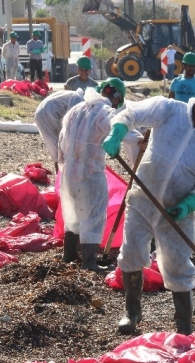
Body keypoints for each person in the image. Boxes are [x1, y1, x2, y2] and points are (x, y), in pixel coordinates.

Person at [101, 79, 195, 335]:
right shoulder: (168, 109)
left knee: (178, 263)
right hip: (144, 197)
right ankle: (132, 314)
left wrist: (191, 202)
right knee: (131, 252)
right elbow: (132, 113)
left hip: (178, 209)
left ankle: (184, 327)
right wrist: (117, 131)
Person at [58, 78, 143, 271]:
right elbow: (122, 132)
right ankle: (89, 262)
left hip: (69, 171)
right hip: (90, 173)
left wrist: (63, 165)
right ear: (117, 98)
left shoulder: (75, 110)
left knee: (73, 212)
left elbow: (61, 140)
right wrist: (140, 141)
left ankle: (69, 254)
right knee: (93, 215)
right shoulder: (106, 113)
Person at [35, 88, 85, 173]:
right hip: (47, 114)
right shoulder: (78, 100)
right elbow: (72, 122)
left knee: (56, 146)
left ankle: (60, 176)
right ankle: (61, 177)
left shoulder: (73, 95)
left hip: (41, 112)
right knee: (58, 147)